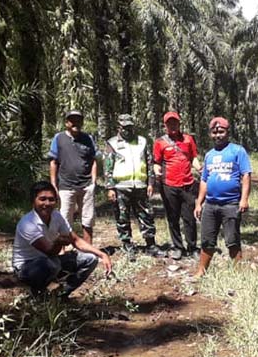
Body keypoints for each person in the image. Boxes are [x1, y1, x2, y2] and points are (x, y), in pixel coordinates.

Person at [13, 181, 113, 297]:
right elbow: (50, 251)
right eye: (42, 199)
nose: (47, 203)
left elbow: (75, 240)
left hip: (49, 262)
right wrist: (59, 242)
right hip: (26, 268)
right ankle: (38, 294)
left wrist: (101, 254)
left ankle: (60, 294)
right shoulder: (27, 223)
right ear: (33, 201)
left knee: (90, 259)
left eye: (51, 199)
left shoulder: (56, 216)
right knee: (51, 264)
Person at [193, 117, 252, 278]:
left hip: (231, 204)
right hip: (210, 205)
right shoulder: (209, 155)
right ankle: (201, 272)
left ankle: (237, 274)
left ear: (227, 133)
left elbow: (246, 175)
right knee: (206, 240)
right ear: (211, 134)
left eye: (221, 131)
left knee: (232, 240)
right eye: (214, 132)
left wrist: (244, 199)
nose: (218, 135)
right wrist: (199, 203)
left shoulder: (237, 151)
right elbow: (204, 180)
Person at [103, 113, 160, 256]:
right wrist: (110, 187)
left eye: (130, 127)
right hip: (120, 186)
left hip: (140, 186)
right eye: (124, 127)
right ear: (119, 127)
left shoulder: (142, 141)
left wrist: (150, 183)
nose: (128, 130)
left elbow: (149, 163)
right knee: (122, 217)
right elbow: (107, 167)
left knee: (146, 214)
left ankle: (150, 244)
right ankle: (127, 244)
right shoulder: (112, 143)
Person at [152, 111, 200, 260]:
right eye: (169, 123)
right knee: (173, 217)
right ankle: (178, 247)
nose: (172, 125)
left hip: (187, 184)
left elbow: (193, 158)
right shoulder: (160, 142)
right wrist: (157, 171)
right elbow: (156, 162)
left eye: (175, 122)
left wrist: (200, 168)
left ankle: (192, 247)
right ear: (165, 125)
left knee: (189, 217)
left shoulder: (188, 139)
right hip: (169, 185)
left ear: (179, 124)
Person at [47, 109, 98, 245]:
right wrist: (53, 184)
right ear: (66, 123)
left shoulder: (88, 139)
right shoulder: (59, 138)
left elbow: (93, 160)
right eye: (72, 120)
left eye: (78, 120)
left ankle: (88, 249)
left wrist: (93, 181)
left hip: (86, 185)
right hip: (66, 186)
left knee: (88, 219)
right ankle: (63, 251)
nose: (76, 123)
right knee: (64, 220)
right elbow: (53, 162)